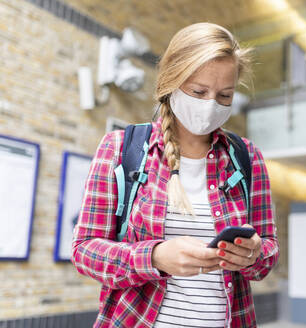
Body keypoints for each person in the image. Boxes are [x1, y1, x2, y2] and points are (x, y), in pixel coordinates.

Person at [71, 22, 279, 328]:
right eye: (198, 91)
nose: (210, 105)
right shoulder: (120, 149)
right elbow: (85, 250)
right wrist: (154, 257)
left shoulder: (247, 158)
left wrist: (254, 255)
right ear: (171, 81)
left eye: (224, 96)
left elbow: (267, 252)